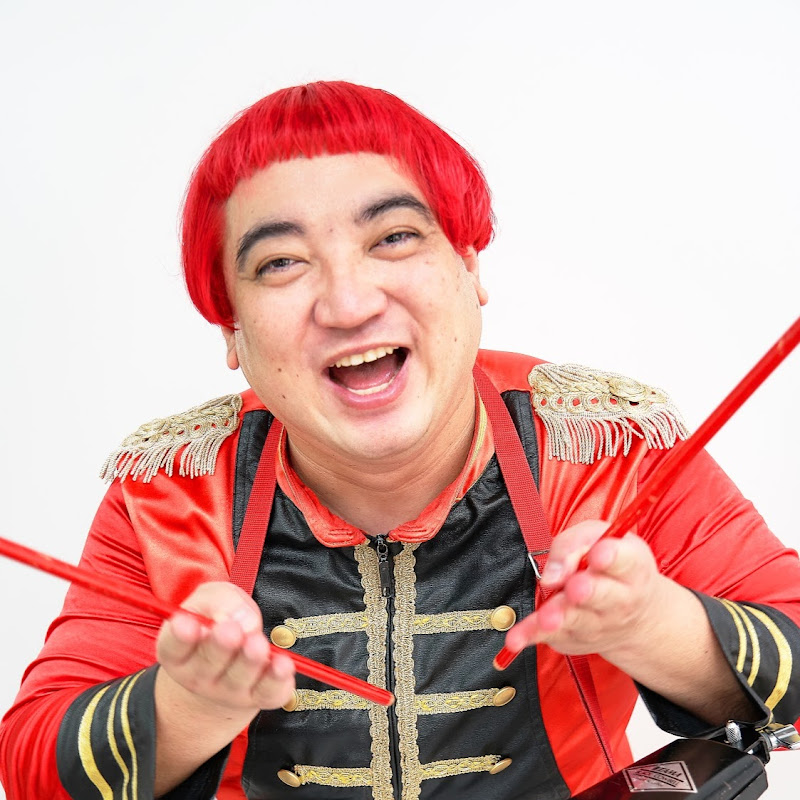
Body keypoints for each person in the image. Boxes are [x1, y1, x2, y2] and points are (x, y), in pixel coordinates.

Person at [1, 81, 798, 800]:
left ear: (469, 265)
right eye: (280, 263)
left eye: (393, 238)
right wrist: (185, 706)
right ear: (232, 332)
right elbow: (30, 767)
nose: (348, 303)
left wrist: (655, 627)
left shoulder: (598, 447)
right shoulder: (174, 490)